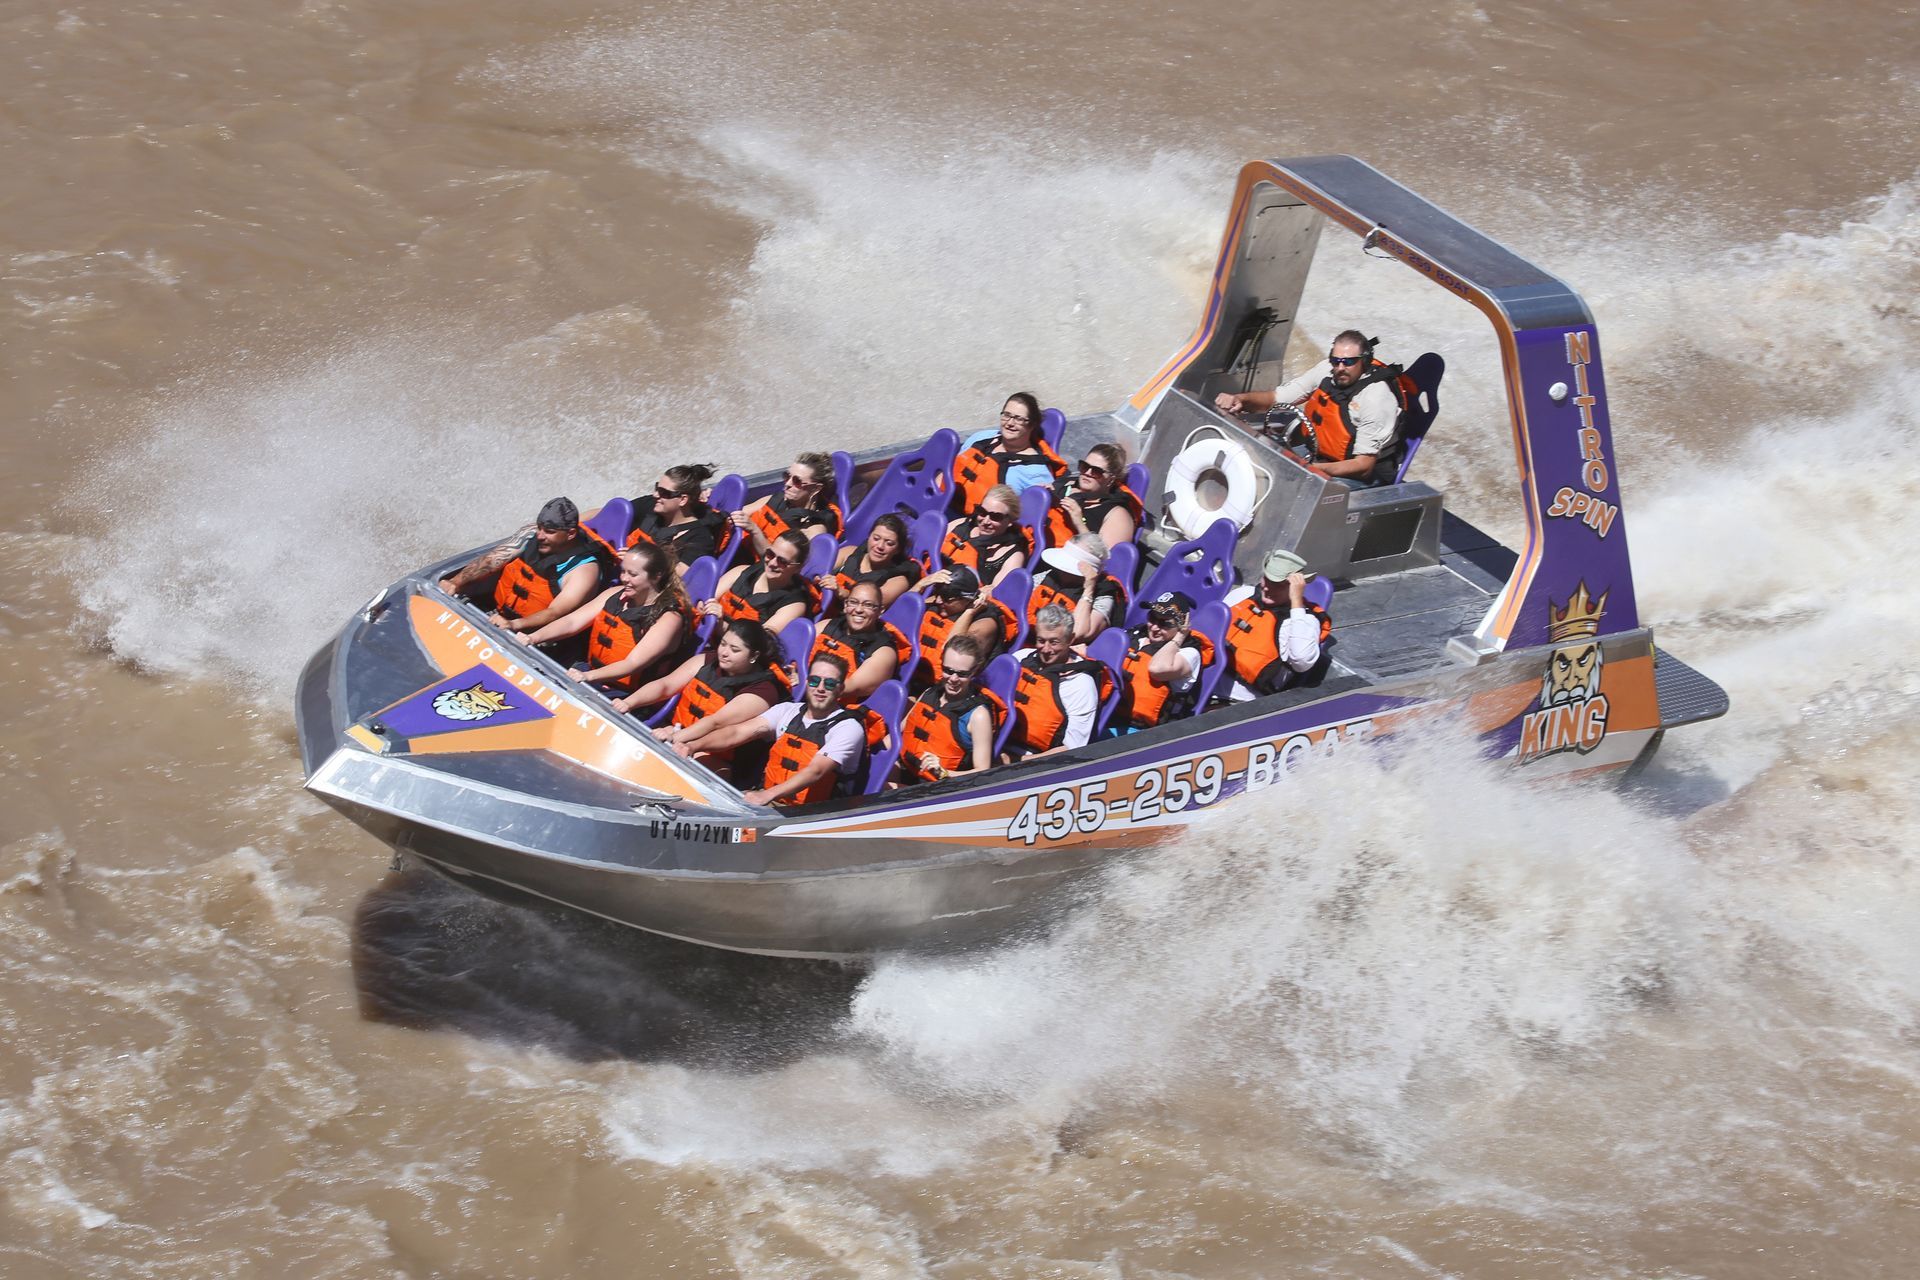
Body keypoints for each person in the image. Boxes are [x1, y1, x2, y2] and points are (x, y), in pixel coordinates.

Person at [1212, 330, 1414, 485]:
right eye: (1336, 361)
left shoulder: (1375, 398)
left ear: (1365, 361)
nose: (1341, 367)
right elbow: (1277, 397)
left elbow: (1363, 466)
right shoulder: (1327, 370)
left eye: (1349, 362)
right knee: (1253, 463)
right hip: (1317, 457)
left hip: (1359, 477)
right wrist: (1240, 399)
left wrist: (1310, 469)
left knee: (1289, 485)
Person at [687, 653, 872, 807]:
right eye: (815, 681)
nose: (820, 688)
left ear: (840, 689)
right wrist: (692, 746)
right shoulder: (787, 711)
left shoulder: (847, 728)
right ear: (807, 682)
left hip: (811, 816)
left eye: (830, 683)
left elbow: (816, 771)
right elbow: (736, 733)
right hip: (770, 804)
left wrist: (766, 795)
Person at [516, 542, 693, 697]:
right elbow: (572, 622)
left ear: (656, 576)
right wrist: (533, 638)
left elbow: (632, 663)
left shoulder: (669, 619)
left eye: (633, 574)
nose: (624, 579)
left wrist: (587, 677)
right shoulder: (614, 594)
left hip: (621, 695)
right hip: (588, 674)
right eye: (623, 571)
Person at [639, 620, 792, 777]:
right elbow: (666, 685)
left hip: (718, 759)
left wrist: (673, 738)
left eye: (734, 650)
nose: (724, 652)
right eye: (723, 644)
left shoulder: (764, 691)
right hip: (683, 735)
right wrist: (626, 703)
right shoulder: (708, 661)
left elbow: (716, 722)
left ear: (754, 656)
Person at [438, 497, 608, 635]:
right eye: (540, 528)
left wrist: (514, 625)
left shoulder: (584, 570)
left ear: (570, 534)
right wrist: (455, 582)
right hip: (497, 614)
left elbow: (555, 612)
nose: (540, 536)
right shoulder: (530, 534)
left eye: (549, 532)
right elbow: (492, 560)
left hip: (533, 638)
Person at [1221, 549, 1331, 701]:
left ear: (1293, 589)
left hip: (1238, 700)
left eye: (1277, 584)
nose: (1267, 588)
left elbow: (1302, 661)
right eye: (1267, 579)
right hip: (1203, 679)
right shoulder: (1243, 594)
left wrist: (1296, 602)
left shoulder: (1303, 622)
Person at [895, 635, 1004, 785]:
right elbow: (898, 734)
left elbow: (982, 772)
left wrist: (944, 772)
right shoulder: (929, 693)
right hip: (907, 772)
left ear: (975, 672)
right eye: (948, 670)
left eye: (962, 674)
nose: (953, 679)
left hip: (941, 788)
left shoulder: (978, 716)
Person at [1008, 603, 1112, 757]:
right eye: (1041, 641)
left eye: (1054, 642)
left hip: (1034, 761)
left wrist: (1019, 760)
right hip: (996, 746)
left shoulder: (1081, 685)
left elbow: (1073, 748)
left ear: (1070, 639)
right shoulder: (1020, 658)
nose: (1046, 649)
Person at [1115, 590, 1214, 731]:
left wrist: (1179, 638)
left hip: (1141, 731)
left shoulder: (1189, 653)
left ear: (1181, 626)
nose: (1154, 627)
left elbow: (1157, 669)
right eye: (1152, 618)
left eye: (1165, 623)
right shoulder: (1136, 635)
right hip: (1108, 711)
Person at [952, 392, 1068, 512]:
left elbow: (1036, 515)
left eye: (1018, 419)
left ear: (1031, 425)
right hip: (946, 505)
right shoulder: (980, 438)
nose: (1010, 423)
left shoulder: (1036, 472)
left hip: (984, 524)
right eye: (1007, 415)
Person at [910, 564, 1019, 690]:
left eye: (947, 599)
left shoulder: (985, 624)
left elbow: (952, 649)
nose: (939, 601)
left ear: (967, 599)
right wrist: (921, 584)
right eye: (938, 593)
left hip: (948, 687)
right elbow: (896, 617)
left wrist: (969, 612)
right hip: (913, 673)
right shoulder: (938, 603)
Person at [702, 528, 820, 634]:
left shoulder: (794, 606)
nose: (773, 563)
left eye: (782, 561)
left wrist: (720, 624)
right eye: (770, 554)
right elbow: (703, 601)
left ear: (798, 568)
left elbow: (759, 642)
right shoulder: (741, 572)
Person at [810, 582, 912, 701]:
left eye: (868, 605)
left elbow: (852, 686)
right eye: (853, 602)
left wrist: (808, 682)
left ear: (880, 611)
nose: (858, 609)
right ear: (845, 605)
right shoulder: (826, 625)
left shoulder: (883, 652)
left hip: (839, 709)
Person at [735, 451, 843, 557]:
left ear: (816, 488)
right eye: (787, 476)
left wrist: (755, 531)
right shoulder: (777, 499)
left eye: (797, 481)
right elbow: (738, 513)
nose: (787, 484)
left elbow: (778, 563)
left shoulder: (814, 529)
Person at [622, 463, 731, 567]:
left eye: (664, 492)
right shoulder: (651, 505)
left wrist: (636, 559)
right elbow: (613, 514)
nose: (656, 495)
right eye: (657, 488)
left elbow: (685, 577)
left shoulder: (699, 539)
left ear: (683, 500)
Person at [1026, 533, 1127, 642]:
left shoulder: (1103, 594)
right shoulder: (1050, 575)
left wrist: (1089, 589)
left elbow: (1078, 634)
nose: (1063, 569)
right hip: (1027, 635)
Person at [1044, 441, 1140, 550]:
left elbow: (1104, 558)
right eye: (1085, 466)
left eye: (1096, 471)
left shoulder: (1117, 514)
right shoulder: (1065, 484)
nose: (1088, 473)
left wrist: (1079, 522)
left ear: (1111, 479)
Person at [937, 483, 1029, 586]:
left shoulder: (1013, 557)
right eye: (982, 512)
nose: (985, 521)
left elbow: (994, 594)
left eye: (995, 517)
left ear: (1010, 521)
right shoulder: (959, 524)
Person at [824, 513, 922, 606]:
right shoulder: (849, 552)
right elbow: (820, 570)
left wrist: (841, 592)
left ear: (898, 550)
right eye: (876, 538)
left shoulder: (898, 581)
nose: (880, 546)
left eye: (889, 543)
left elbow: (870, 604)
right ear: (869, 537)